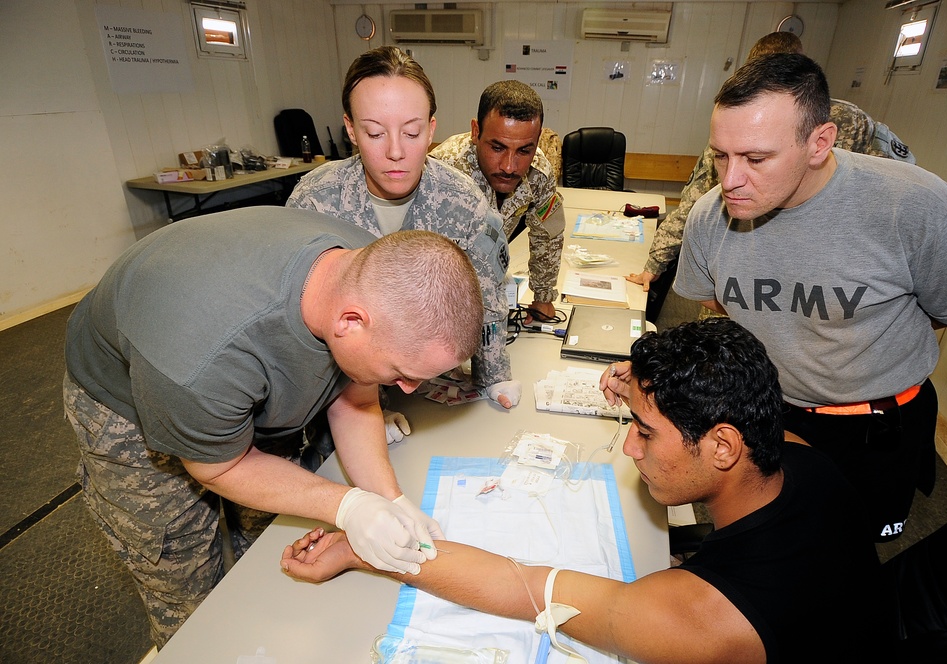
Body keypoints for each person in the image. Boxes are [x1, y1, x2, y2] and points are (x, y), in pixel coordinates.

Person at [281, 318, 884, 663]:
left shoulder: (699, 621)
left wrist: (366, 549)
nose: (630, 447)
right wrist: (647, 387)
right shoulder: (805, 459)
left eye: (645, 432)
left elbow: (526, 590)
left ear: (722, 446)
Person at [63, 207, 484, 647]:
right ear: (351, 323)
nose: (410, 389)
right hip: (132, 396)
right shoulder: (200, 362)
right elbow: (220, 468)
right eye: (401, 371)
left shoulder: (369, 272)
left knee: (271, 534)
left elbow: (355, 396)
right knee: (181, 572)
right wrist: (349, 506)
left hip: (223, 359)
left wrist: (388, 498)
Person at [672, 53, 947, 542]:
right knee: (761, 541)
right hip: (764, 412)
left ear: (819, 142)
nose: (730, 179)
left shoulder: (917, 207)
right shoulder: (708, 217)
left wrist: (852, 354)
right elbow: (719, 309)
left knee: (851, 559)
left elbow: (945, 314)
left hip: (873, 430)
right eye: (720, 155)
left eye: (756, 158)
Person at [286, 47, 521, 412]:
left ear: (430, 129)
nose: (396, 151)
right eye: (375, 134)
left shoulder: (462, 201)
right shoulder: (315, 202)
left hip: (426, 379)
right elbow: (298, 329)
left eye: (411, 133)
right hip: (340, 393)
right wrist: (360, 410)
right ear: (350, 128)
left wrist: (493, 375)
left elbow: (487, 299)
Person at [629, 31, 917, 324]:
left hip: (823, 290)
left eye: (756, 159)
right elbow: (697, 202)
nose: (730, 178)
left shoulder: (850, 121)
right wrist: (656, 262)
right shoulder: (736, 131)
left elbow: (896, 190)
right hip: (741, 287)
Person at [431, 80, 564, 324]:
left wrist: (543, 296)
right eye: (497, 147)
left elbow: (547, 234)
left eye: (524, 150)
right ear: (475, 131)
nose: (509, 166)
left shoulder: (539, 173)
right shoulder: (441, 174)